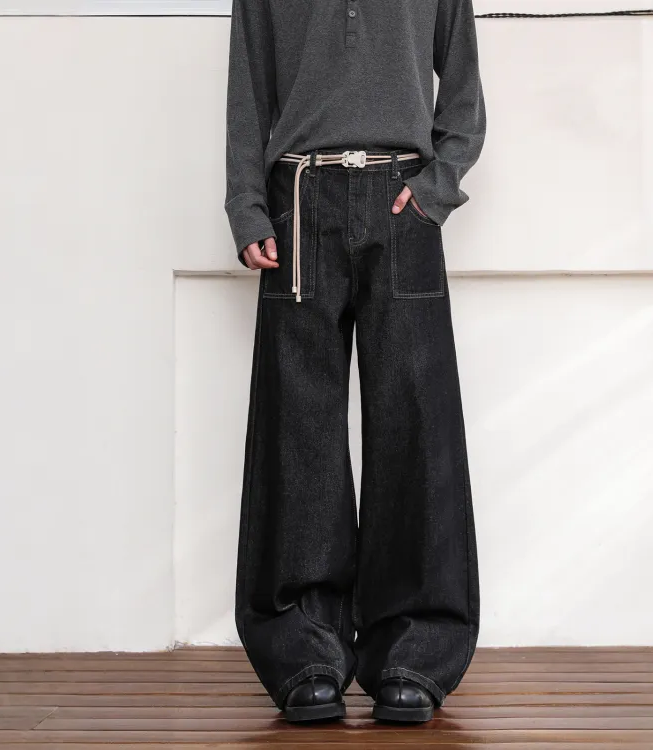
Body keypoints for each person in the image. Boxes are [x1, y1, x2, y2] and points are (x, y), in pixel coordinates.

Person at [225, 0, 486, 725]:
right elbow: (248, 87)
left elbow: (463, 87)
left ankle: (416, 649)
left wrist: (436, 187)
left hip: (404, 201)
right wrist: (247, 206)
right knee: (298, 432)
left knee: (416, 428)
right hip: (297, 200)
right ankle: (303, 649)